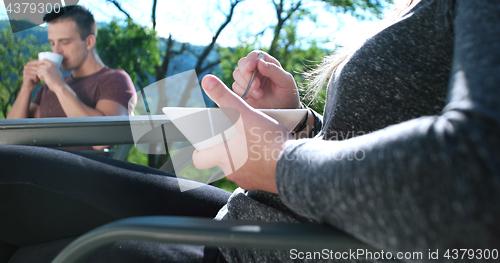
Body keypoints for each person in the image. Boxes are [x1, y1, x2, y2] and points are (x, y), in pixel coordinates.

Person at [1, 0, 499, 262]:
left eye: (67, 41)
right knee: (11, 167)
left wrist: (282, 162)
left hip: (289, 241)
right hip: (271, 213)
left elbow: (476, 174)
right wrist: (298, 123)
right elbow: (370, 141)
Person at [6, 5, 136, 149]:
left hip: (84, 169)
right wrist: (27, 87)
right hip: (38, 167)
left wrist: (59, 87)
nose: (56, 51)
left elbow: (103, 140)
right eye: (52, 43)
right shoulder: (47, 88)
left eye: (65, 42)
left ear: (89, 42)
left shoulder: (114, 79)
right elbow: (9, 138)